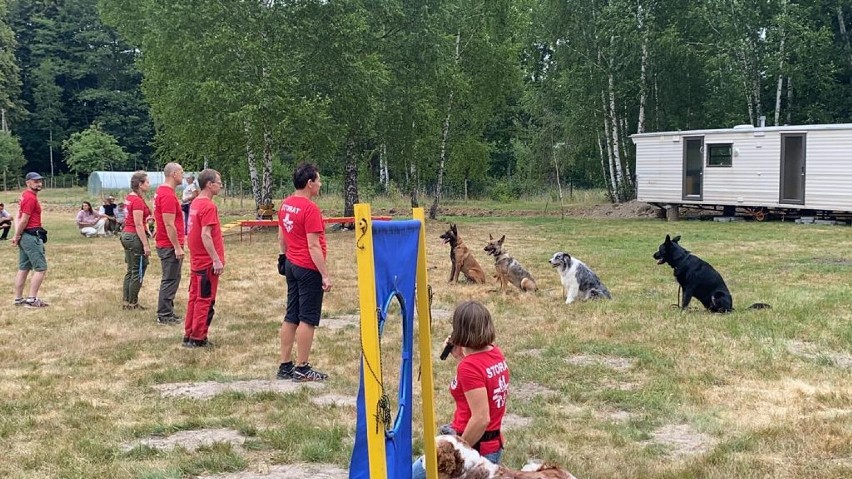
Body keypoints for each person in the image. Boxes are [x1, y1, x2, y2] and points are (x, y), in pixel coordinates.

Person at [411, 301, 509, 479]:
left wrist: (459, 450)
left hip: (475, 447)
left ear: (460, 331)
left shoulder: (469, 367)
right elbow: (482, 383)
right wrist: (460, 357)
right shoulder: (495, 354)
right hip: (491, 446)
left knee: (412, 475)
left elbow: (481, 418)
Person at [276, 163, 331, 382]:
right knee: (307, 319)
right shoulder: (310, 209)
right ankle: (302, 368)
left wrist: (283, 257)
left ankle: (284, 365)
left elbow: (281, 236)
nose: (320, 184)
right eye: (318, 180)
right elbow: (313, 246)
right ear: (310, 183)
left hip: (291, 264)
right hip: (308, 267)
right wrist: (325, 275)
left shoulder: (285, 204)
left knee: (291, 315)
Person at [183, 168, 225, 348]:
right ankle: (198, 338)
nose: (221, 185)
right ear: (209, 184)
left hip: (197, 261)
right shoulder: (208, 205)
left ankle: (188, 333)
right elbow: (205, 235)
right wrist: (216, 259)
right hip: (206, 263)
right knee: (205, 300)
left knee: (194, 297)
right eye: (219, 182)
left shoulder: (196, 203)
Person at [153, 162, 186, 325]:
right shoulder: (167, 194)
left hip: (166, 242)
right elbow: (169, 224)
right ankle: (164, 314)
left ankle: (167, 311)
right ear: (173, 174)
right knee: (170, 279)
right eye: (181, 172)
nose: (183, 175)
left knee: (173, 277)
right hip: (169, 244)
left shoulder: (162, 191)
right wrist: (177, 247)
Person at [11, 172, 49, 307]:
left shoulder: (24, 196)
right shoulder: (30, 198)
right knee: (40, 268)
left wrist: (18, 235)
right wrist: (16, 236)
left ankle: (18, 299)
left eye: (40, 181)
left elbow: (17, 215)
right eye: (35, 181)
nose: (39, 183)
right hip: (31, 236)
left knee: (24, 268)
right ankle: (31, 300)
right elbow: (24, 219)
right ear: (28, 183)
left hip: (25, 235)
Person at [120, 171, 152, 310]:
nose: (149, 184)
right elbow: (138, 224)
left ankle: (126, 300)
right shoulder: (137, 201)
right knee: (137, 270)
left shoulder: (130, 197)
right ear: (140, 184)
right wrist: (145, 245)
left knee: (130, 270)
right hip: (134, 236)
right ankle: (133, 303)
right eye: (147, 182)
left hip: (126, 234)